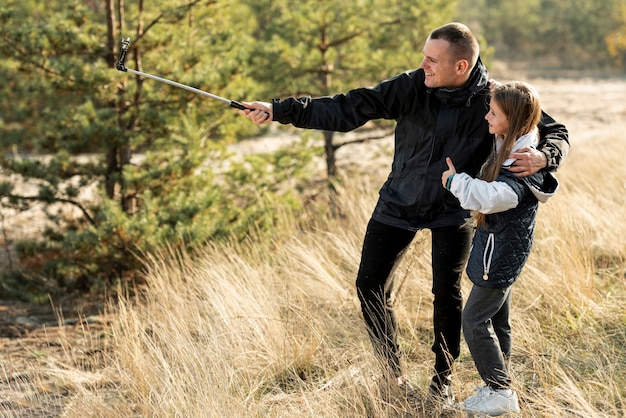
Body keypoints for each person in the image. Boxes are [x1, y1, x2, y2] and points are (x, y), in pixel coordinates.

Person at [240, 22, 569, 404]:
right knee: (369, 285)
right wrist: (279, 110)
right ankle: (391, 374)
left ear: (460, 67)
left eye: (432, 60)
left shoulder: (495, 98)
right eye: (424, 57)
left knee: (446, 294)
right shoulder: (411, 86)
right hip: (398, 202)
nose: (423, 65)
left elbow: (554, 128)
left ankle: (442, 379)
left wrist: (546, 156)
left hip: (454, 208)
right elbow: (349, 106)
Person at [441, 81, 556, 415]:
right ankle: (500, 383)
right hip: (502, 248)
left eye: (493, 113)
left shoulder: (519, 163)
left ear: (515, 120)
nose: (487, 117)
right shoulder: (516, 140)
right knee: (497, 320)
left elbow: (492, 199)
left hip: (499, 253)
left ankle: (500, 392)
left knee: (474, 321)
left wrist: (454, 181)